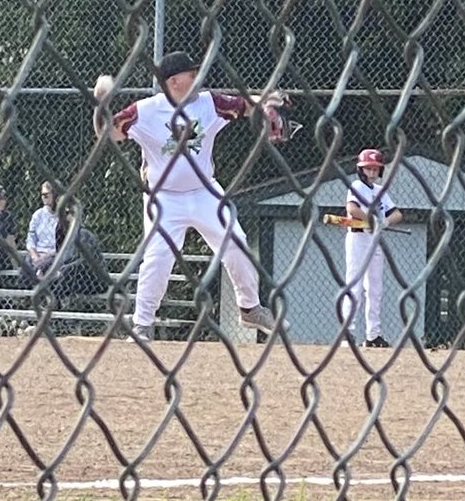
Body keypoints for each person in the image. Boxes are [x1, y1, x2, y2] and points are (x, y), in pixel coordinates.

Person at [93, 50, 279, 341]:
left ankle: (250, 308)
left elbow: (244, 105)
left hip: (205, 191)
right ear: (174, 81)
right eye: (192, 75)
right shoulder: (146, 111)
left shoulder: (208, 102)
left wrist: (264, 104)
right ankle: (142, 325)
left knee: (236, 242)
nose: (198, 79)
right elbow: (110, 134)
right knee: (159, 257)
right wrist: (101, 107)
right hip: (164, 198)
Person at [341, 148, 403, 348]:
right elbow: (352, 209)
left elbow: (397, 214)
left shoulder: (379, 191)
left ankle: (373, 334)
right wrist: (370, 219)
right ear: (361, 170)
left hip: (374, 239)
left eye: (375, 169)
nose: (372, 172)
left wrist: (383, 222)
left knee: (375, 288)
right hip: (358, 238)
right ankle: (347, 333)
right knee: (354, 286)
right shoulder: (356, 186)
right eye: (368, 168)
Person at [24, 181, 60, 281]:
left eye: (46, 195)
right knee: (26, 265)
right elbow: (31, 239)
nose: (43, 197)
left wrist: (46, 256)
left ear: (55, 195)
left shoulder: (64, 216)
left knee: (49, 264)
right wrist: (35, 256)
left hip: (54, 255)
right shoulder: (38, 215)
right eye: (42, 195)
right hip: (37, 254)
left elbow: (64, 244)